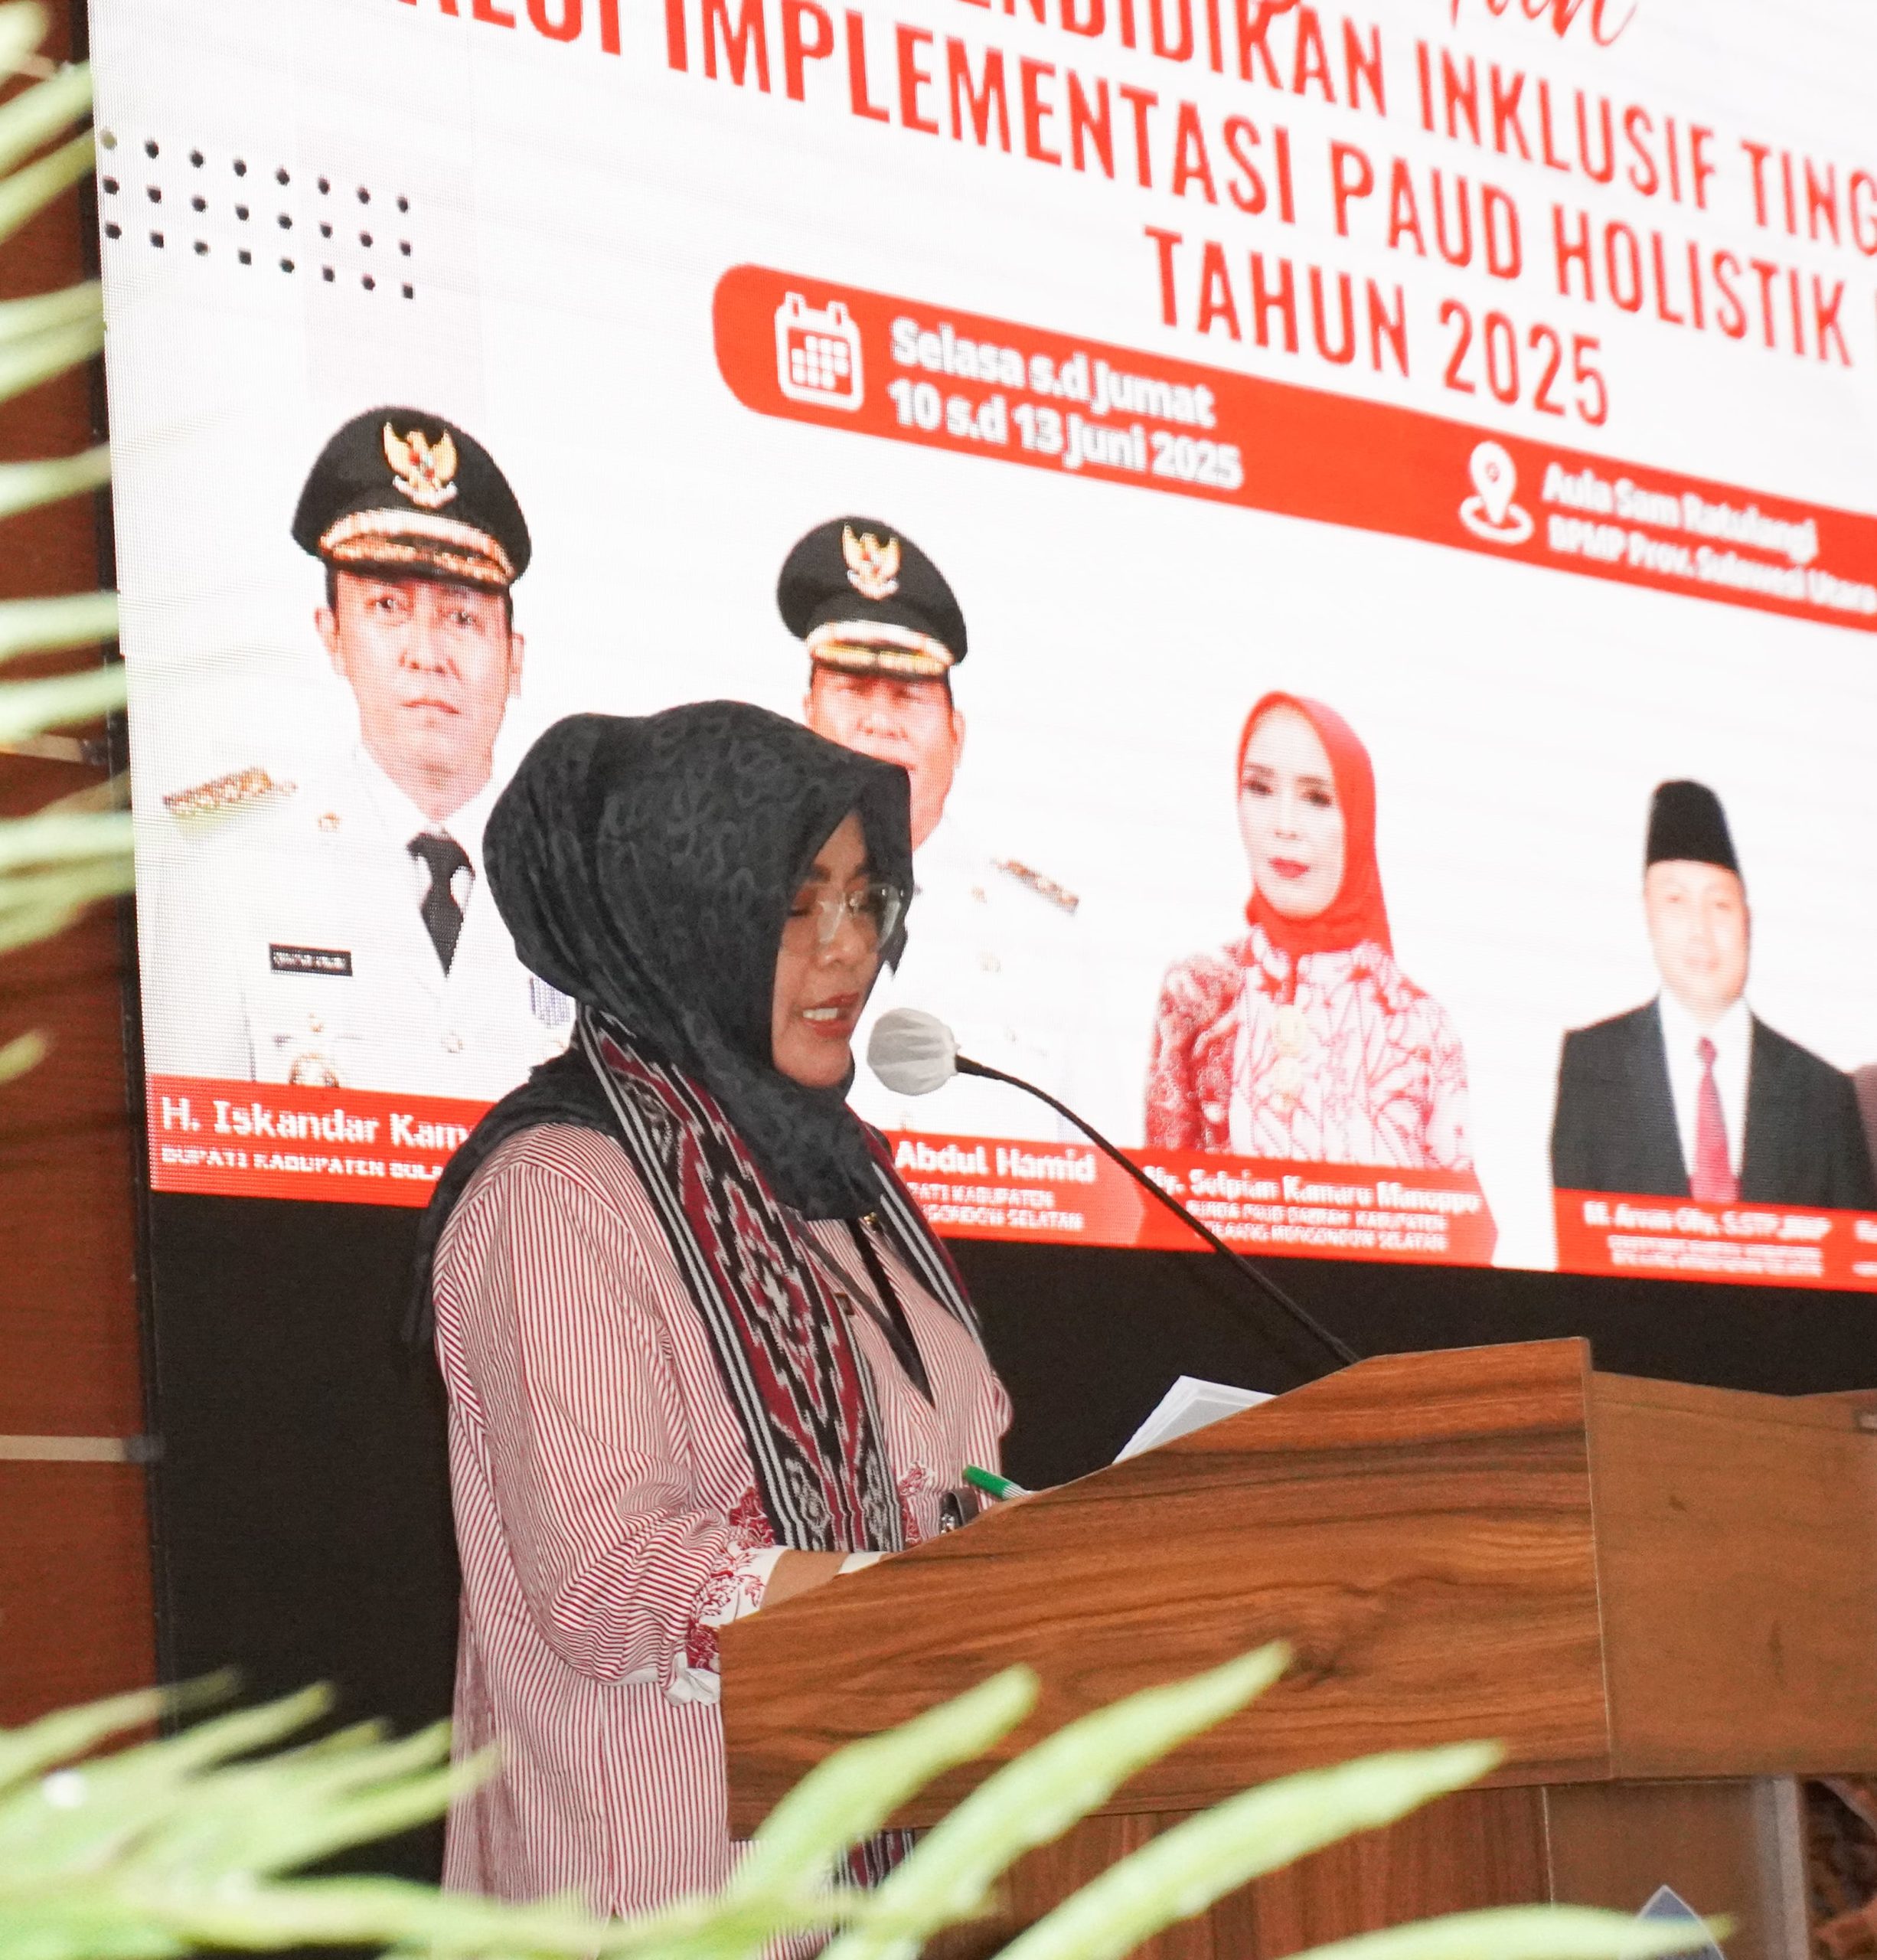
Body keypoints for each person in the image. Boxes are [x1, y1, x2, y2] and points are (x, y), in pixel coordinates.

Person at [412, 701, 1010, 1916]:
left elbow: (954, 1480)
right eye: (796, 905)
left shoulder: (850, 1187)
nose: (848, 950)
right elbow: (607, 1579)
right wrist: (903, 1603)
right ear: (676, 913)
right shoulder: (562, 1196)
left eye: (866, 900)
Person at [145, 407, 570, 1095]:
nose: (426, 654)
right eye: (387, 608)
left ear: (513, 659)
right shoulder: (229, 858)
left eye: (462, 617)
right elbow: (192, 1139)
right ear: (333, 637)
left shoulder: (583, 889)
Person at [781, 515, 1079, 1138]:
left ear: (956, 736)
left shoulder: (1045, 937)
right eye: (853, 689)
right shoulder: (742, 907)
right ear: (805, 721)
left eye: (908, 696)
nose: (879, 724)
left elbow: (1100, 1173)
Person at [1145, 692, 1471, 1168]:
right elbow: (1160, 1197)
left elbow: (1453, 1213)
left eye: (1317, 798)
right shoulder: (1198, 992)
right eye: (1260, 789)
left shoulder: (1422, 1028)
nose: (1284, 826)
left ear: (1357, 817)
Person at [1551, 779, 1876, 1208]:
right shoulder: (1593, 1065)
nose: (1700, 930)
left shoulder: (1824, 1095)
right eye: (1675, 901)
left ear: (1747, 921)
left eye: (1719, 904)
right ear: (1648, 914)